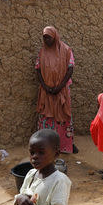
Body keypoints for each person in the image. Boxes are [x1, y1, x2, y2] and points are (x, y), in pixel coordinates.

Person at [10, 129, 72, 205]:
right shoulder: (31, 174)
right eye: (32, 152)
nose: (35, 157)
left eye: (41, 152)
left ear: (56, 154)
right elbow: (22, 193)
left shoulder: (59, 181)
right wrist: (20, 199)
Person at [36, 26, 78, 154]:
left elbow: (70, 68)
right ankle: (46, 146)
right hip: (46, 91)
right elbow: (37, 69)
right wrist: (45, 86)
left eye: (49, 37)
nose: (47, 40)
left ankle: (65, 145)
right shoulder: (42, 52)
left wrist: (59, 87)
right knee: (46, 116)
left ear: (55, 37)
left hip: (61, 91)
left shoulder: (65, 50)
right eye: (44, 38)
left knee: (63, 117)